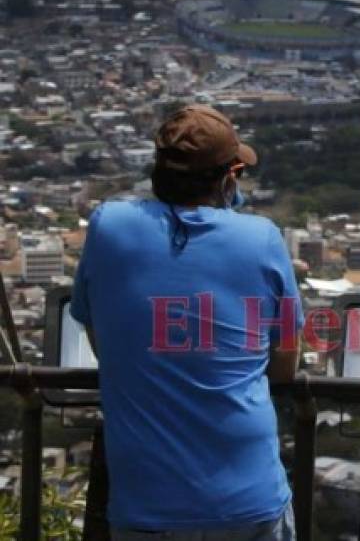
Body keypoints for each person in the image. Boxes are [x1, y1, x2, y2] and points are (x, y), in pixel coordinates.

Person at [71, 105, 302, 540]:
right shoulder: (263, 238)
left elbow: (103, 341)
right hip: (247, 494)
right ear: (228, 176)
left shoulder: (109, 227)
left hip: (147, 500)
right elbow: (286, 360)